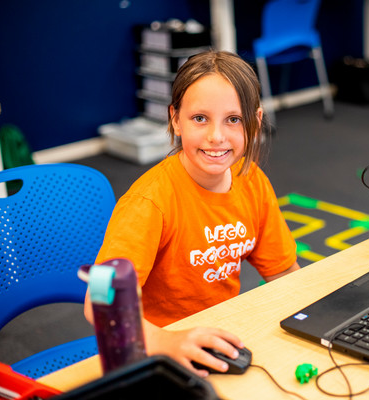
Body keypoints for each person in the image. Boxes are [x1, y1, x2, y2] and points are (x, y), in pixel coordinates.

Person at [84, 50, 300, 376]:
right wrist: (166, 342)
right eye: (200, 118)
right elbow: (98, 300)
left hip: (223, 336)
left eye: (234, 119)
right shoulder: (148, 203)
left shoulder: (251, 179)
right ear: (175, 119)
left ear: (254, 123)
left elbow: (283, 273)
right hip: (155, 351)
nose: (216, 136)